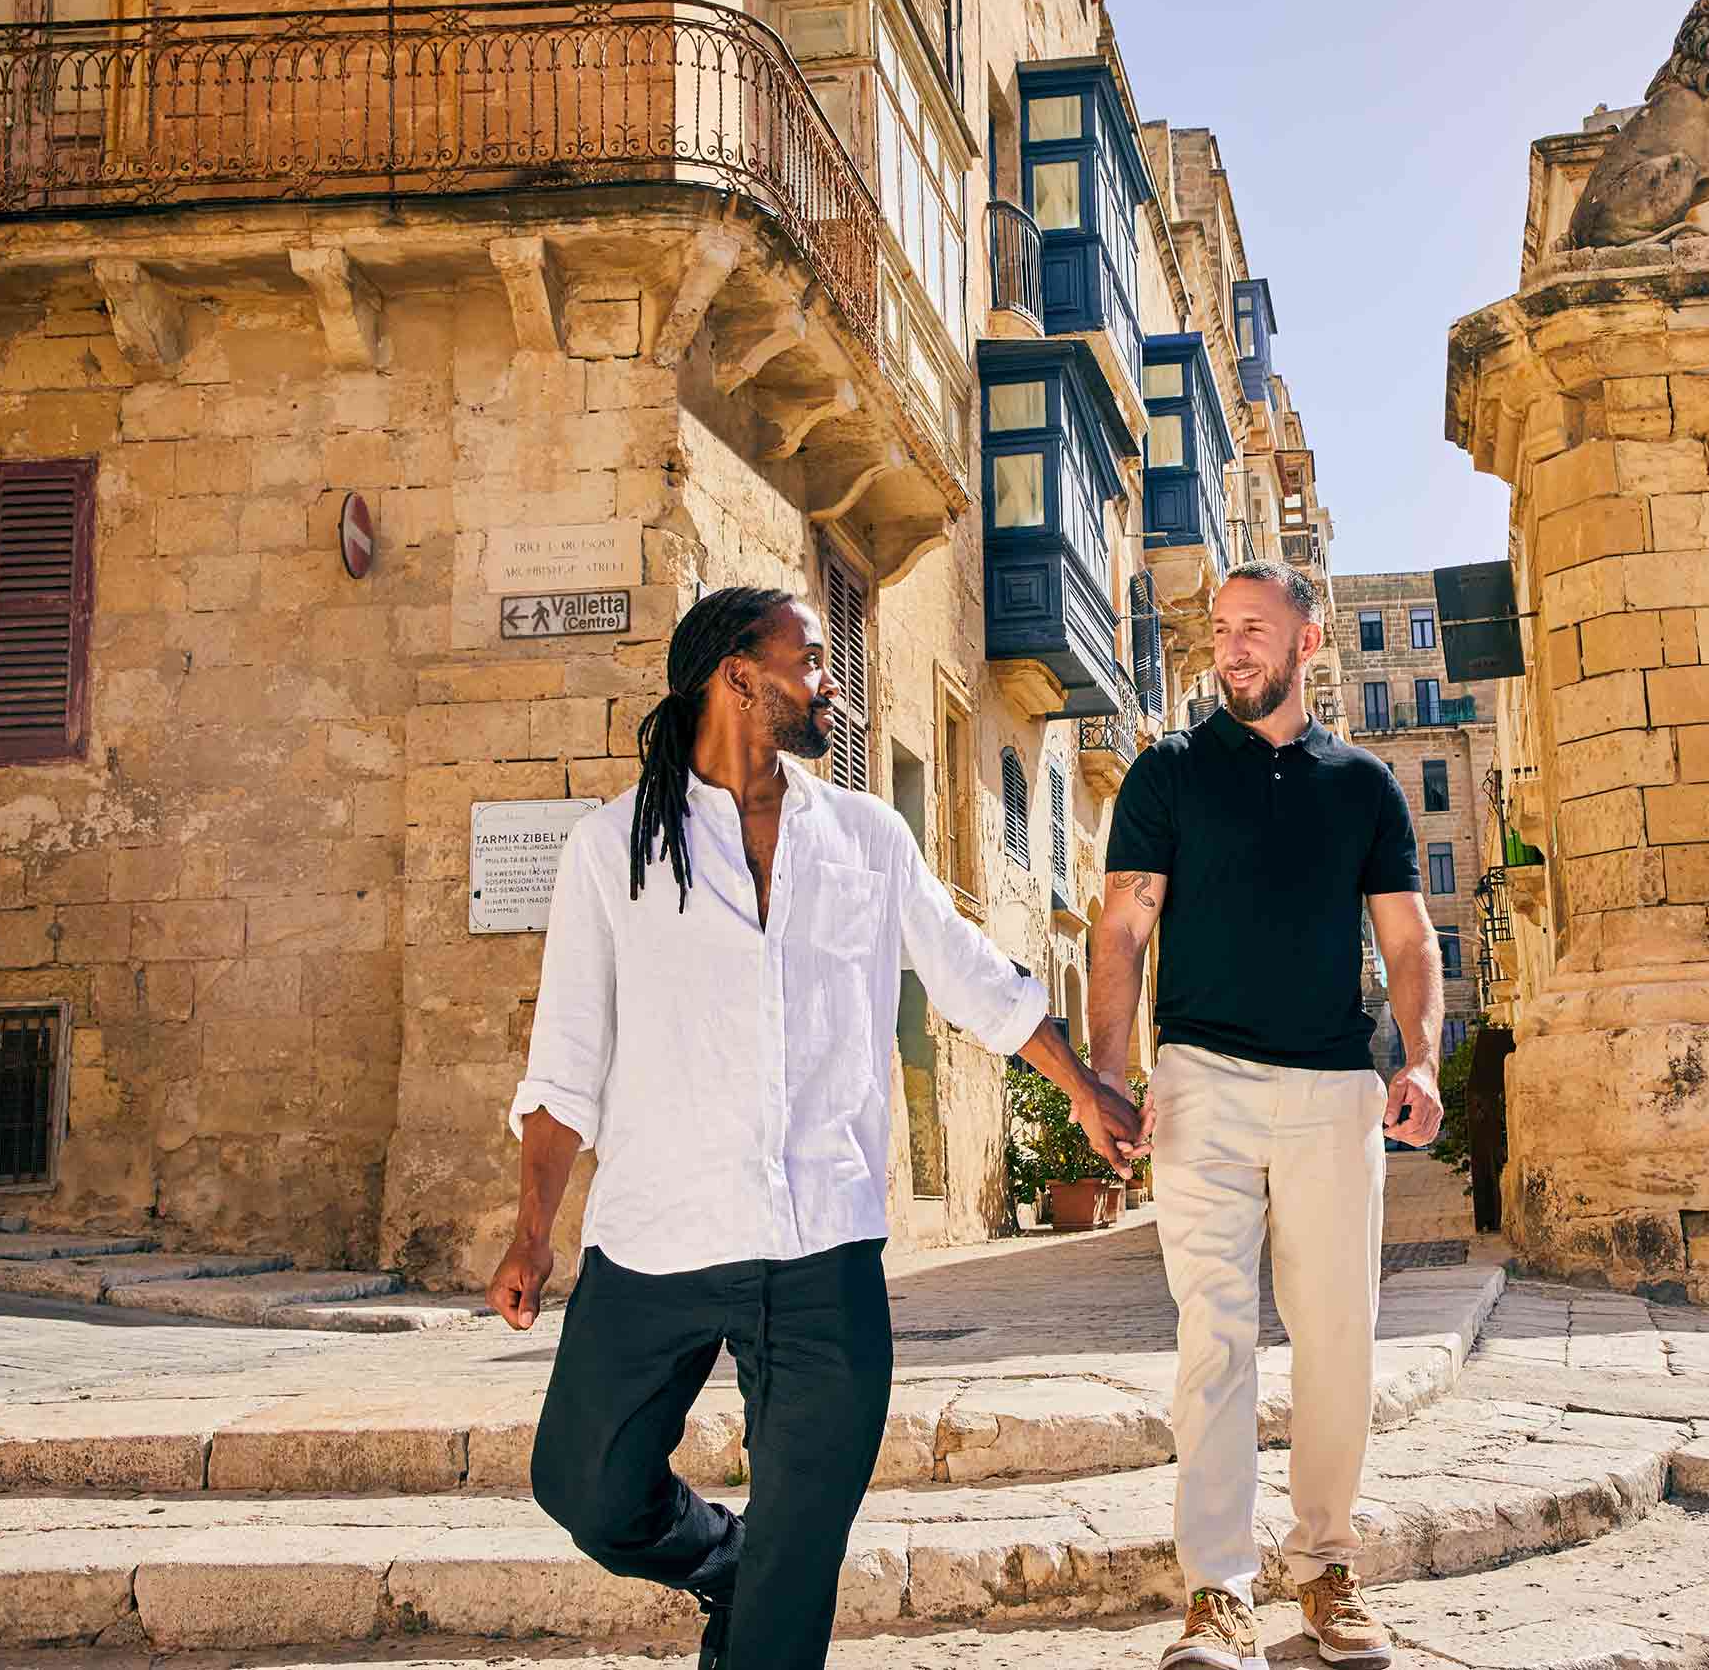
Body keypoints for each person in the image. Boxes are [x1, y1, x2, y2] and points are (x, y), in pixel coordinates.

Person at [486, 586, 1142, 1670]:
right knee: (587, 1487)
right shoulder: (613, 850)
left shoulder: (865, 836)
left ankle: (765, 1592)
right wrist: (529, 1230)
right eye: (811, 662)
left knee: (798, 1577)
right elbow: (565, 1063)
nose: (830, 685)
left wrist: (1078, 1085)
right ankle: (724, 1562)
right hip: (657, 1240)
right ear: (738, 676)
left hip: (821, 1248)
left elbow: (973, 977)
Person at [1089, 562, 1445, 1670]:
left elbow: (1407, 938)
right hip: (1200, 1082)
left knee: (1338, 1335)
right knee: (1214, 1337)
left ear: (1308, 639)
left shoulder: (1364, 787)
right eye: (1221, 629)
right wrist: (1108, 1073)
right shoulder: (1166, 773)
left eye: (1255, 627)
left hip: (1333, 1089)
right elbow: (1119, 933)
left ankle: (1327, 1568)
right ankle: (1216, 1594)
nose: (1232, 645)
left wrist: (1422, 1060)